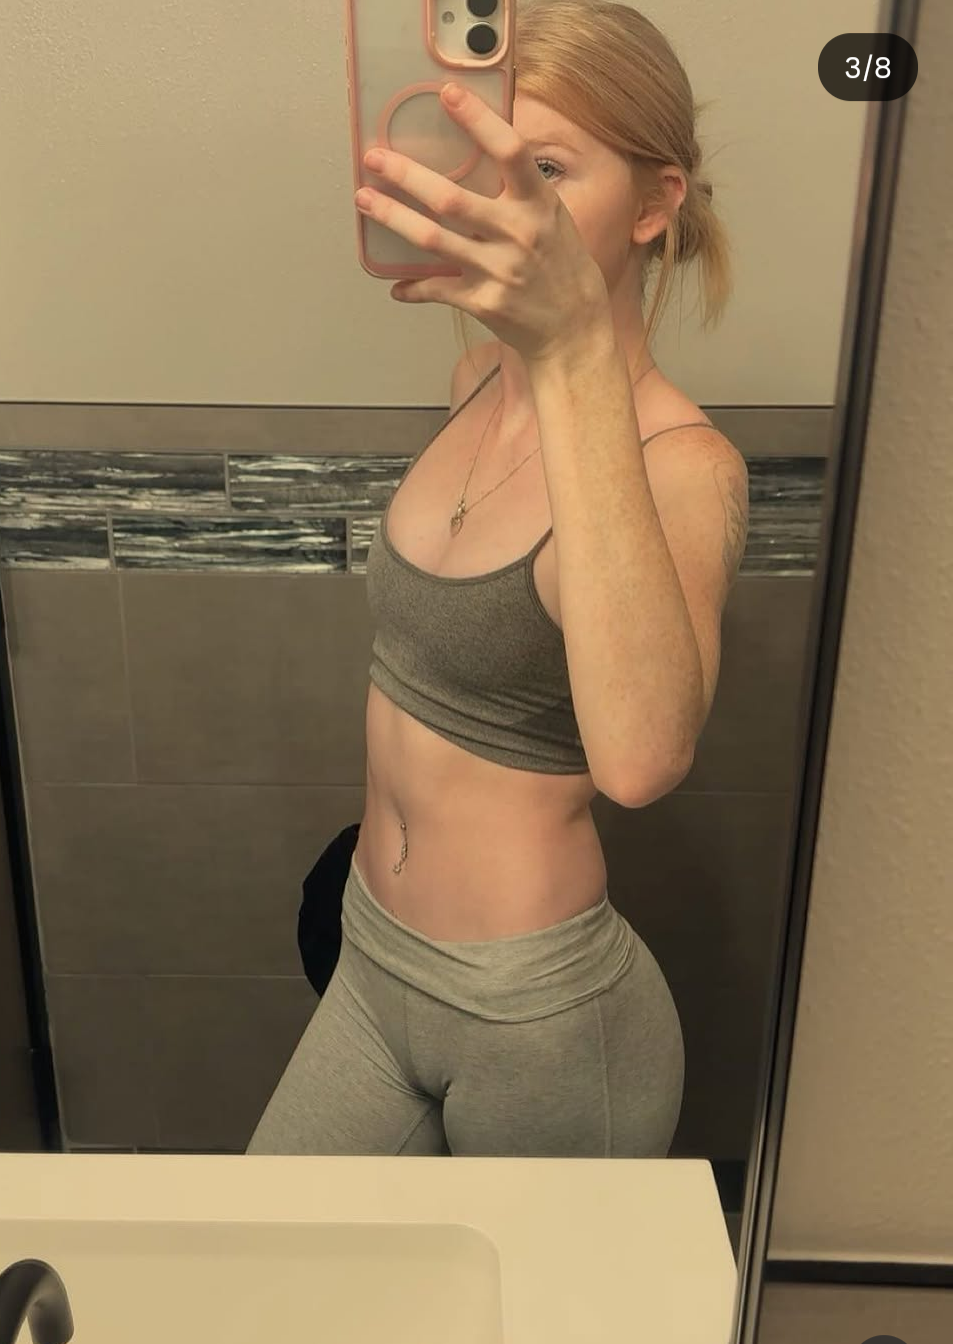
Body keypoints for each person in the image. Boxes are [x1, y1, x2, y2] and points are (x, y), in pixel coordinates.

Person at [250, 0, 749, 1158]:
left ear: (656, 204)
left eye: (549, 168)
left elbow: (641, 761)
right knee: (276, 1266)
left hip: (539, 1023)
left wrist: (574, 349)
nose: (505, 198)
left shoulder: (688, 467)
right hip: (372, 958)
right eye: (486, 158)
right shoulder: (475, 377)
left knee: (526, 1294)